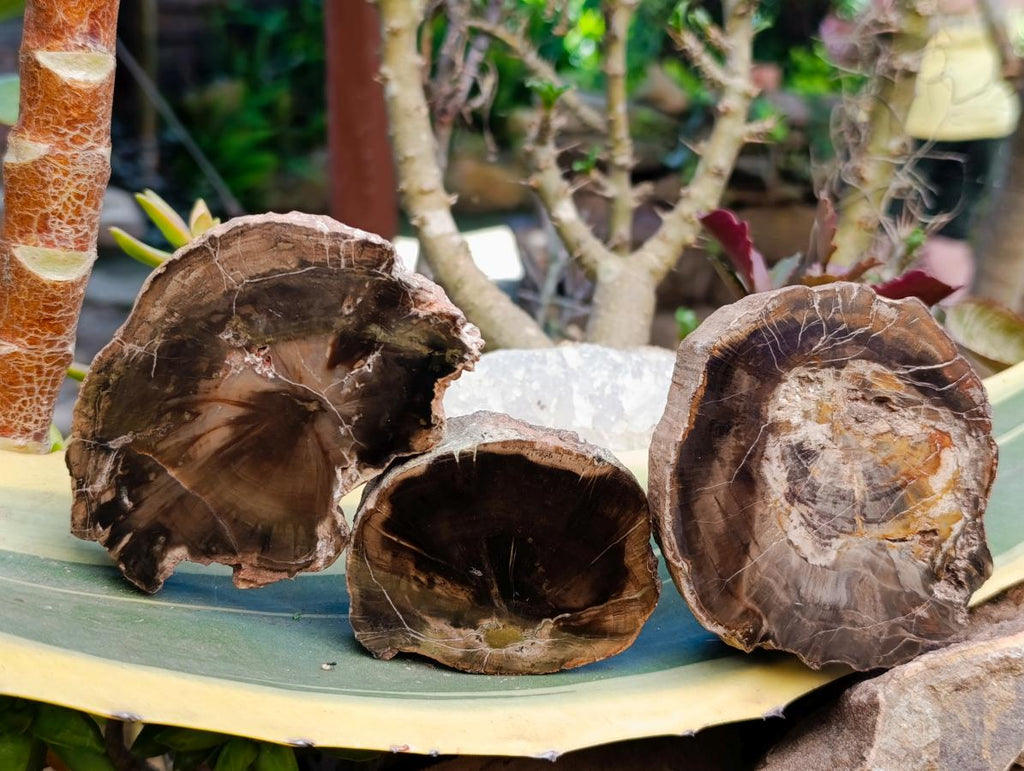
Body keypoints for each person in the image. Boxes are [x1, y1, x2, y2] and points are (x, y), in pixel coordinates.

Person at [823, 0, 1024, 298]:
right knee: (911, 234)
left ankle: (886, 312)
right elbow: (846, 48)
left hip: (930, 125)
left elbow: (845, 50)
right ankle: (927, 317)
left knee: (888, 232)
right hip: (932, 123)